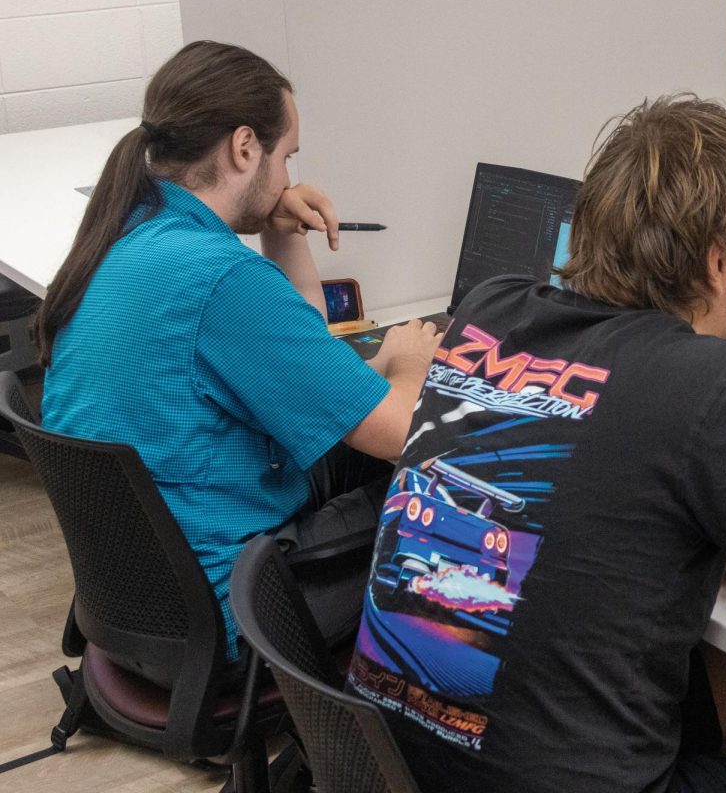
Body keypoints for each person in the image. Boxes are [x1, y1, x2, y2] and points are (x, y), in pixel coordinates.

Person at [346, 95, 726, 793]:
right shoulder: (713, 389)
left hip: (401, 762)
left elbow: (584, 483)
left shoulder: (491, 310)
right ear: (721, 265)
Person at [34, 41, 439, 674]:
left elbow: (296, 360)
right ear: (245, 147)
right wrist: (411, 361)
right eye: (286, 157)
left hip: (143, 610)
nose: (288, 180)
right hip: (237, 615)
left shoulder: (126, 230)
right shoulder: (219, 279)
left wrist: (278, 234)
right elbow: (402, 435)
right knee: (442, 490)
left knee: (349, 450)